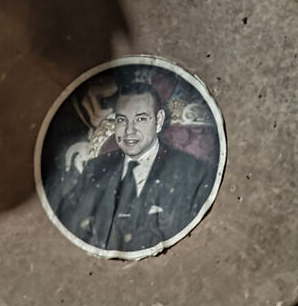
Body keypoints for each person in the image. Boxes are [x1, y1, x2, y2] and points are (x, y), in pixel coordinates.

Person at [49, 79, 217, 255]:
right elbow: (66, 220)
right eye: (122, 120)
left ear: (158, 121)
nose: (129, 130)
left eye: (141, 119)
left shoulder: (193, 172)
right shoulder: (96, 168)